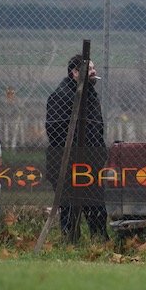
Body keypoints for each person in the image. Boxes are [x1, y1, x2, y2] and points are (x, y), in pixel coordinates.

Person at [45, 54, 108, 242]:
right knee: (70, 207)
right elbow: (55, 132)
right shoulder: (62, 96)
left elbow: (97, 129)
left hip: (90, 163)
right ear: (75, 72)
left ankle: (99, 242)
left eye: (93, 68)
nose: (94, 72)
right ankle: (69, 242)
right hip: (68, 163)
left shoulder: (89, 94)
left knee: (96, 207)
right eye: (89, 69)